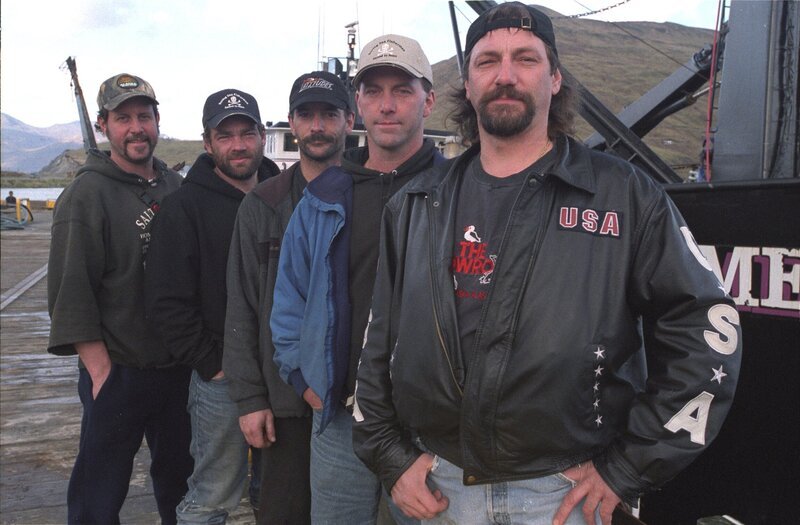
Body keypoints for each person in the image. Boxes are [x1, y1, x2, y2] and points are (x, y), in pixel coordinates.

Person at [351, 4, 743, 525]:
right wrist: (391, 457)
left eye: (526, 59)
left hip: (566, 498)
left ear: (555, 78)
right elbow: (379, 343)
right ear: (466, 83)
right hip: (435, 490)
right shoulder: (417, 204)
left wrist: (628, 467)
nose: (506, 76)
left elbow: (708, 327)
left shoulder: (624, 196)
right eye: (488, 61)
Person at [270, 34, 443, 524]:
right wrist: (307, 383)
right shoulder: (322, 198)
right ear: (359, 104)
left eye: (402, 90)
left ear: (428, 100)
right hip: (340, 420)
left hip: (427, 431)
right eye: (373, 91)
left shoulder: (460, 192)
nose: (387, 105)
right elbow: (289, 302)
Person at [47, 73, 193, 525]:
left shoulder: (175, 188)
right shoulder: (86, 194)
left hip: (177, 372)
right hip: (118, 370)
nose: (136, 128)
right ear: (103, 125)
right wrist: (100, 373)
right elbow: (71, 291)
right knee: (99, 490)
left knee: (181, 485)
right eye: (123, 118)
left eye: (144, 117)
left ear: (157, 121)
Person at [223, 71, 354, 525]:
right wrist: (250, 399)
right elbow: (241, 306)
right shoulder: (262, 204)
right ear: (292, 125)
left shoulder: (371, 195)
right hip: (283, 405)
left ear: (349, 121)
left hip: (353, 403)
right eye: (306, 115)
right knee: (282, 513)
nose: (317, 126)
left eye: (329, 114)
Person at [144, 89, 279, 524]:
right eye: (225, 136)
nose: (238, 144)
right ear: (207, 143)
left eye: (247, 133)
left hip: (283, 375)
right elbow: (166, 303)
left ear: (262, 135)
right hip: (222, 380)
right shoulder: (182, 208)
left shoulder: (287, 195)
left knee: (277, 492)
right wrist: (212, 364)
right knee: (213, 496)